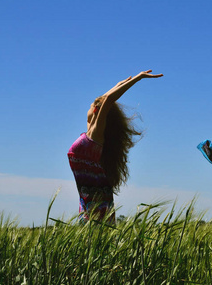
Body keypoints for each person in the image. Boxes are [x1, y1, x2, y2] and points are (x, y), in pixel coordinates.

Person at [68, 69, 163, 223]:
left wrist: (138, 78)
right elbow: (106, 98)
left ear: (96, 110)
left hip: (96, 202)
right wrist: (120, 83)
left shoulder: (95, 134)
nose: (89, 106)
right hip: (87, 201)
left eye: (91, 105)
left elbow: (108, 100)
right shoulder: (89, 131)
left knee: (97, 240)